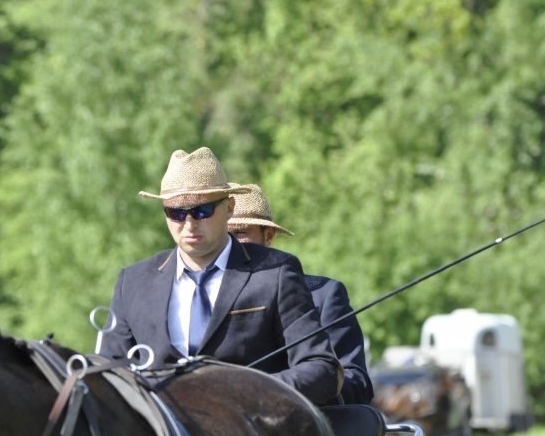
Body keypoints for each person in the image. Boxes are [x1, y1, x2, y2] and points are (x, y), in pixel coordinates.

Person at [99, 147, 343, 405]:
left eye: (202, 210)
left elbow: (321, 368)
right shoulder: (134, 282)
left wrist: (245, 395)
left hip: (252, 434)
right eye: (177, 213)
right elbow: (106, 375)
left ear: (229, 207)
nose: (190, 223)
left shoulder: (276, 273)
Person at [226, 183, 373, 405]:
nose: (231, 245)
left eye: (240, 233)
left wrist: (311, 386)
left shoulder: (324, 295)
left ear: (269, 235)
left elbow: (357, 381)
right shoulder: (199, 299)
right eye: (224, 236)